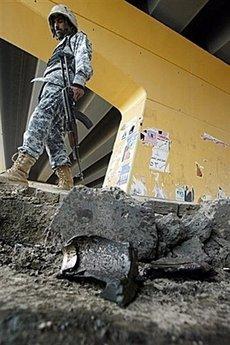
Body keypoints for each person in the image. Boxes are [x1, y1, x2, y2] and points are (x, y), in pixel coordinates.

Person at [0, 4, 93, 190]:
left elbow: (84, 58)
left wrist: (78, 82)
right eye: (54, 23)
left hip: (59, 87)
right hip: (54, 87)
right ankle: (66, 180)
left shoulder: (77, 38)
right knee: (53, 136)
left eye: (60, 21)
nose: (57, 25)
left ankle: (20, 170)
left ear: (69, 23)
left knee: (39, 120)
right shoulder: (61, 45)